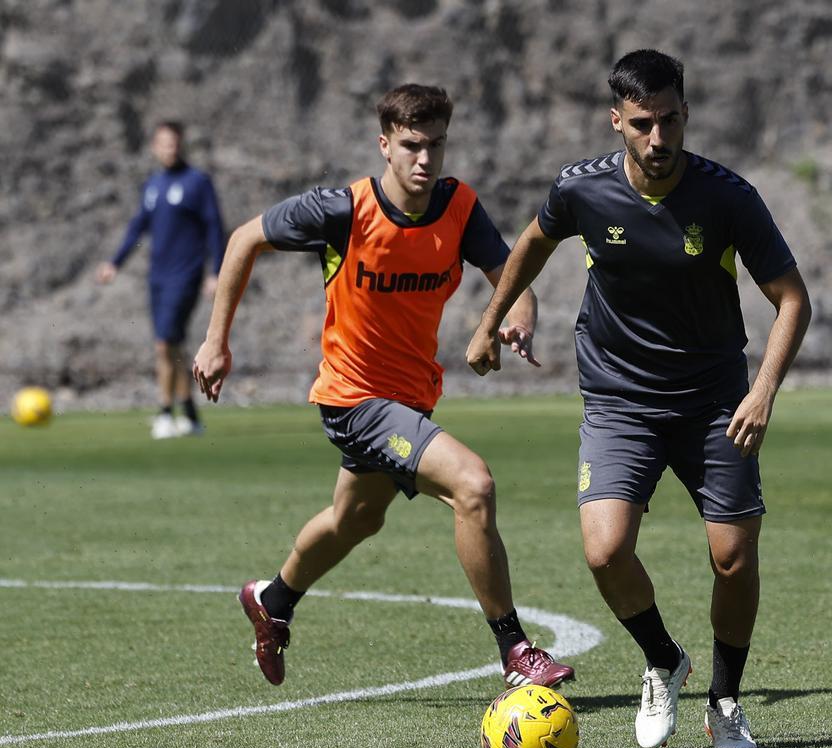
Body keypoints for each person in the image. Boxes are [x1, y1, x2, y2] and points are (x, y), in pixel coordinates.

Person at [467, 50, 811, 748]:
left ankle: (725, 700)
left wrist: (764, 391)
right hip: (620, 398)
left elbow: (793, 300)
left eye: (673, 120)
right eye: (645, 124)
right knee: (605, 552)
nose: (660, 139)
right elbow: (533, 243)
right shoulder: (582, 189)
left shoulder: (727, 197)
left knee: (733, 557)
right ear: (617, 121)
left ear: (687, 115)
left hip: (715, 400)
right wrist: (489, 320)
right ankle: (662, 659)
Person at [191, 85, 574, 690]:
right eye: (412, 146)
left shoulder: (459, 208)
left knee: (356, 519)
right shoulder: (342, 210)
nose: (425, 160)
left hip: (410, 399)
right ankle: (517, 651)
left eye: (437, 146)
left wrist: (517, 318)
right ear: (385, 146)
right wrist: (216, 341)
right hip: (354, 399)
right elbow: (244, 239)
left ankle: (273, 598)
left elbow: (515, 280)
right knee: (473, 485)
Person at [98, 121, 225, 439]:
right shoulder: (153, 184)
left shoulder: (197, 182)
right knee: (172, 345)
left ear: (182, 145)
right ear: (155, 147)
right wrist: (115, 263)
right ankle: (191, 415)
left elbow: (214, 227)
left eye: (175, 143)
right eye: (164, 143)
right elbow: (138, 225)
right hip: (157, 277)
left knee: (164, 343)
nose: (171, 148)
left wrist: (215, 272)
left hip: (186, 274)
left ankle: (166, 412)